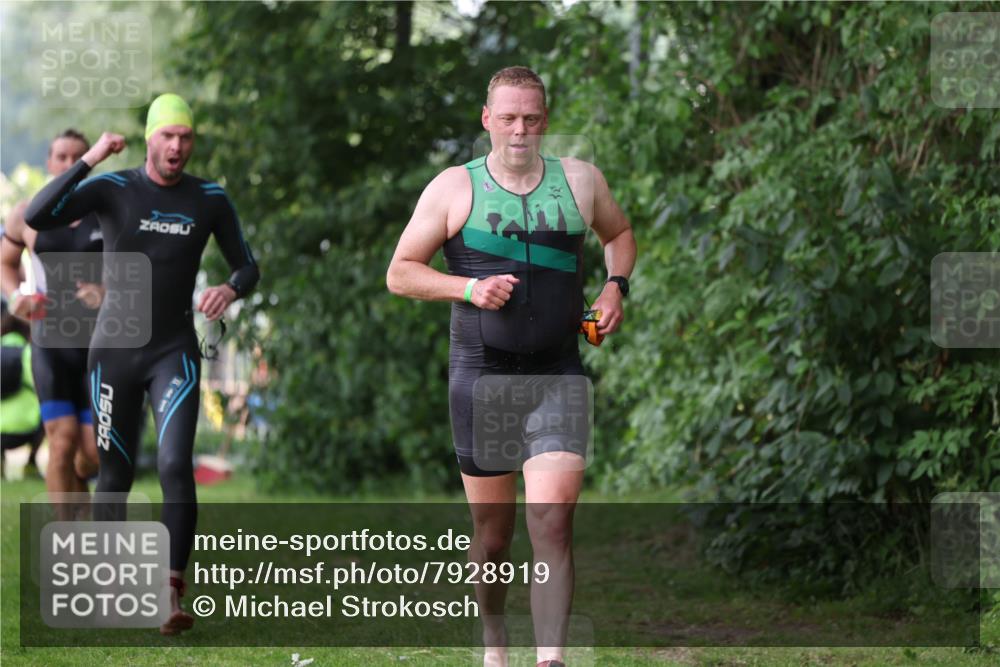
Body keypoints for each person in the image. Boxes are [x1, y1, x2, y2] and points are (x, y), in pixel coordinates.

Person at [387, 66, 636, 667]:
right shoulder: (454, 187)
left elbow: (620, 233)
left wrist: (615, 287)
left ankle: (550, 658)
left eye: (530, 118)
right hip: (483, 379)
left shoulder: (580, 181)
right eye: (507, 119)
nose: (519, 130)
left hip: (558, 375)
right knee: (494, 538)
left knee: (552, 522)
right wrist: (468, 289)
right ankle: (494, 638)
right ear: (487, 120)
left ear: (545, 121)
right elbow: (400, 272)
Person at [25, 93, 260, 636]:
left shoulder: (209, 198)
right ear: (151, 139)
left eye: (185, 137)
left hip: (172, 351)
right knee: (115, 474)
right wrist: (90, 158)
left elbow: (247, 266)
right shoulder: (114, 188)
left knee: (176, 465)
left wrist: (229, 288)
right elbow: (38, 215)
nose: (176, 146)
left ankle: (169, 592)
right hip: (113, 351)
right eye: (167, 136)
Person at [1, 130, 103, 514]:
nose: (68, 164)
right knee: (60, 442)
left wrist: (107, 291)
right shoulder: (27, 214)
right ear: (49, 162)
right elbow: (5, 262)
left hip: (97, 344)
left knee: (91, 453)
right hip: (49, 341)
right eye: (61, 156)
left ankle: (79, 476)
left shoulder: (106, 213)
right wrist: (16, 295)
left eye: (77, 157)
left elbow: (134, 269)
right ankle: (66, 536)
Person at [0, 300, 44, 479]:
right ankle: (31, 463)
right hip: (25, 431)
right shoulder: (29, 353)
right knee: (53, 408)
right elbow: (40, 386)